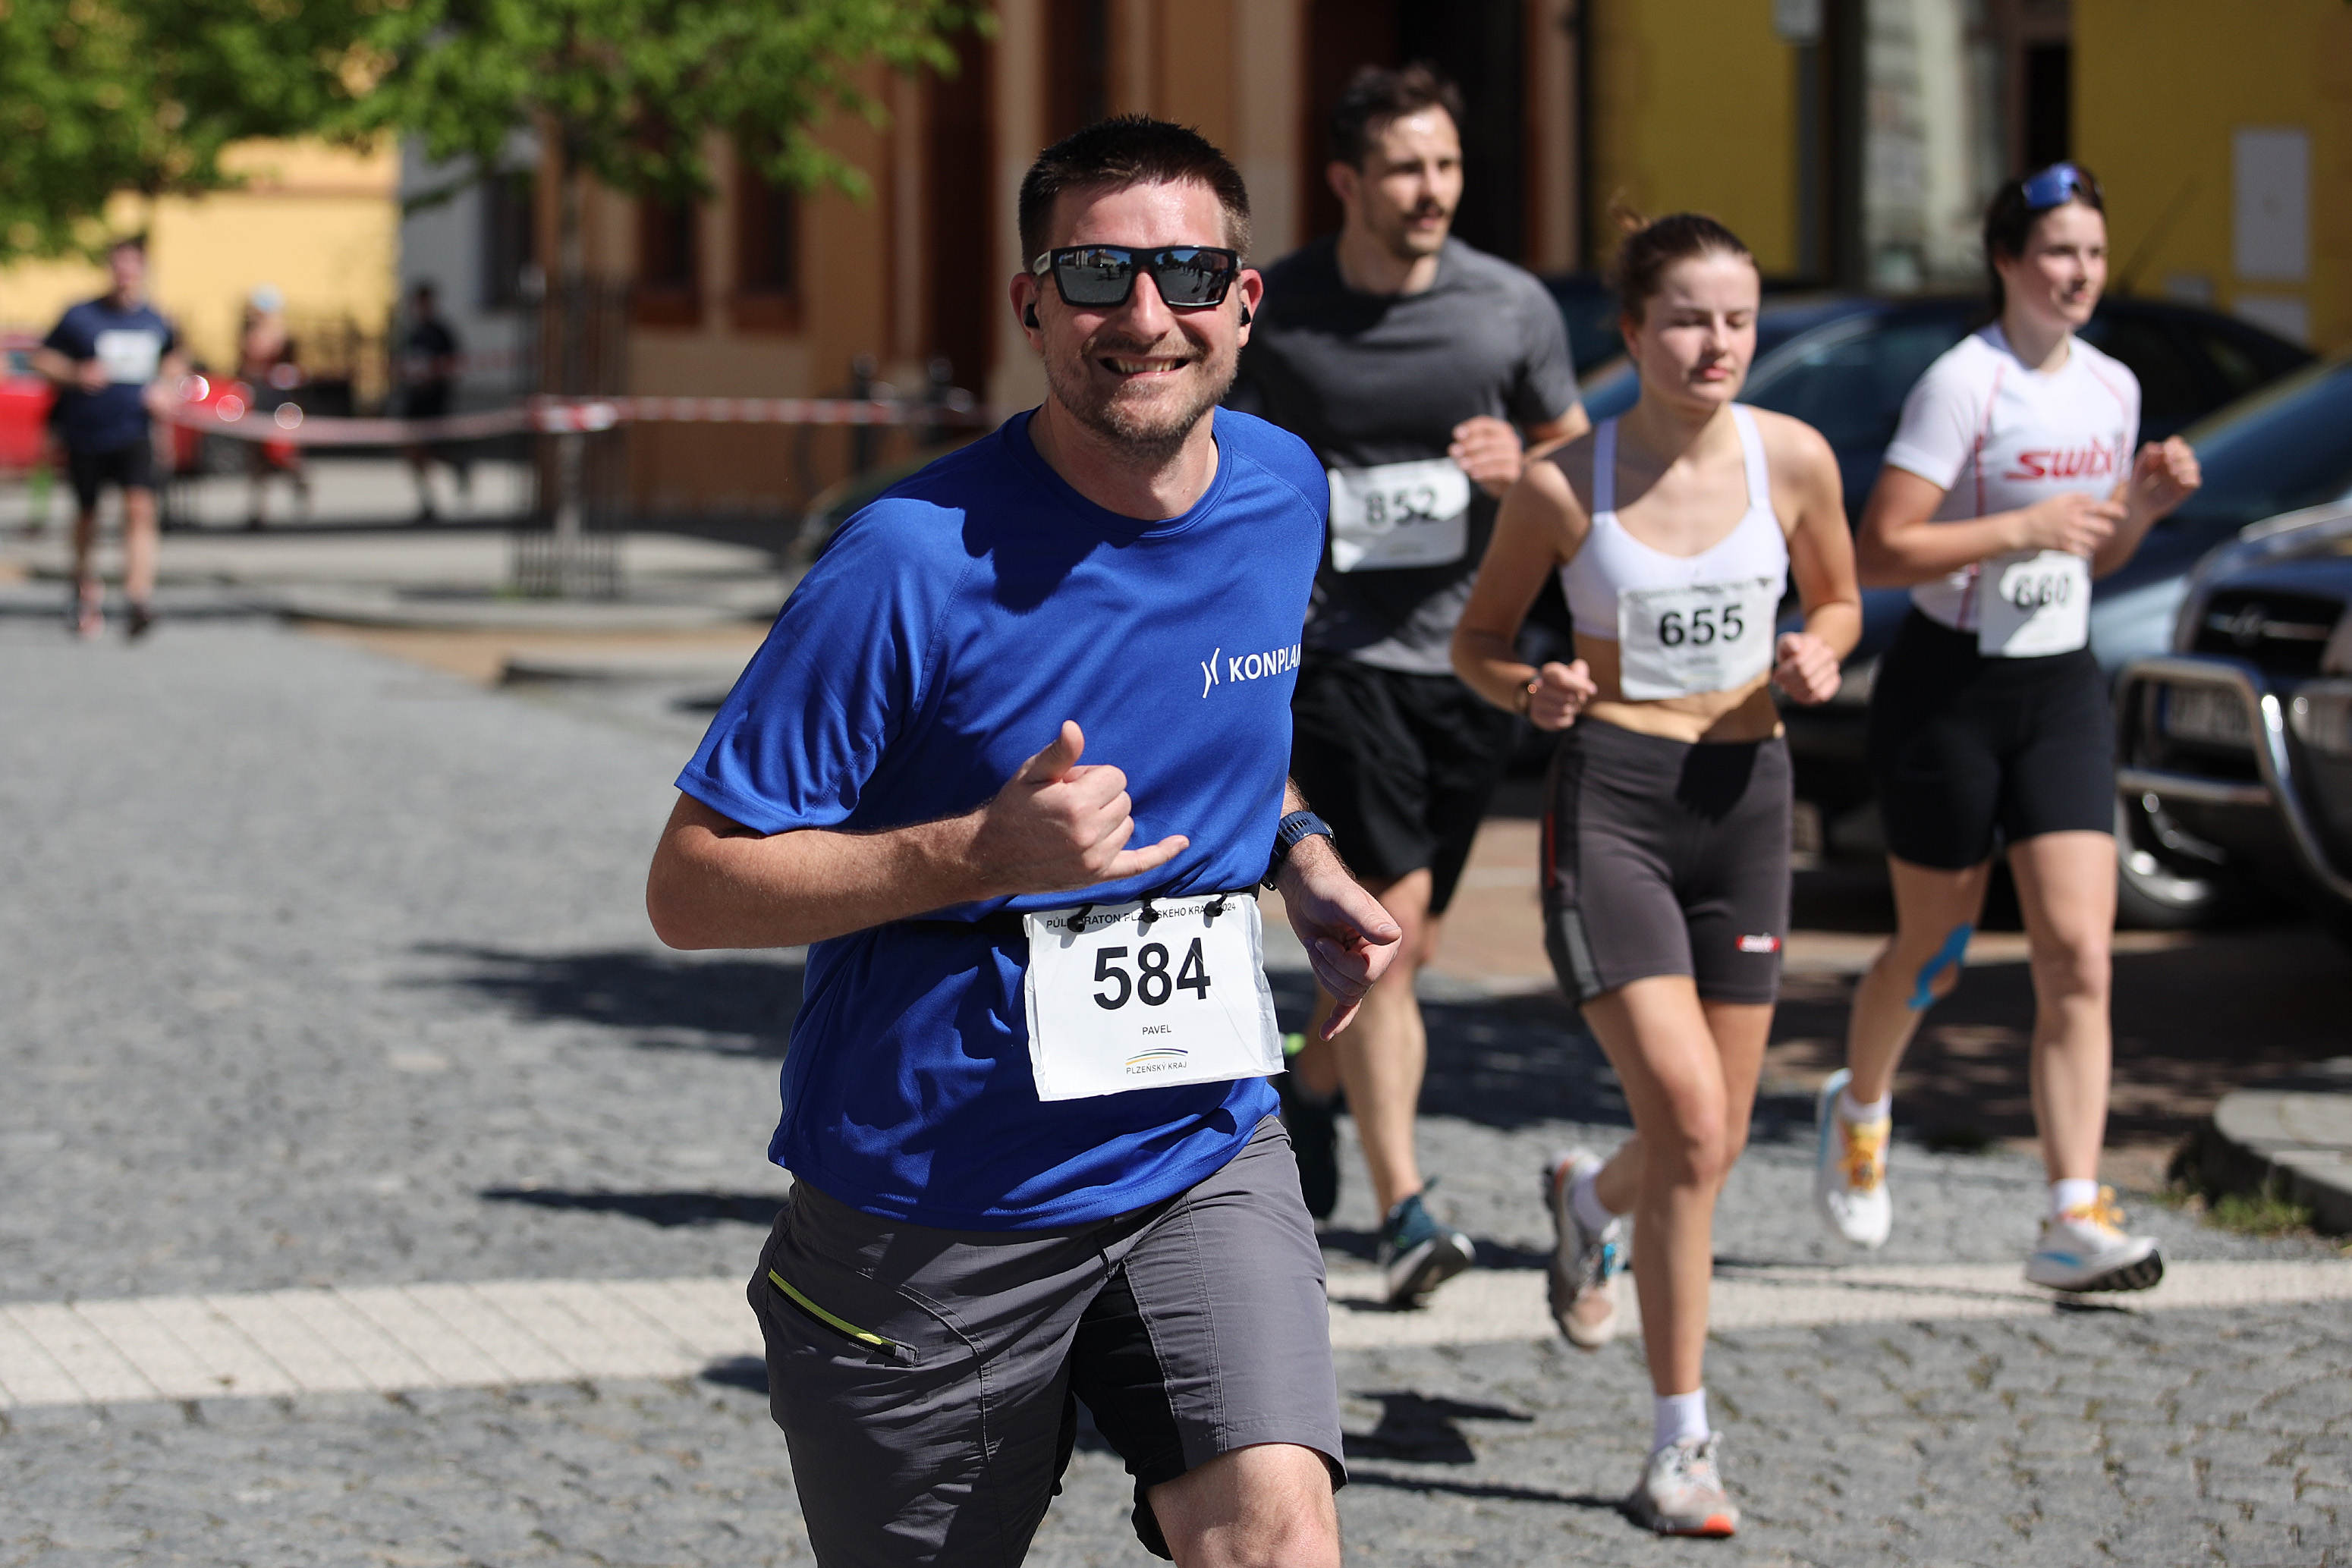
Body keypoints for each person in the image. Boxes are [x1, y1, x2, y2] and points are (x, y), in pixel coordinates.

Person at [644, 117, 1401, 1568]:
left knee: (1279, 1536)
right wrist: (976, 855)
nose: (1145, 314)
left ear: (1245, 300)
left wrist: (1300, 848)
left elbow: (1222, 719)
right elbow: (691, 884)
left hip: (1195, 1144)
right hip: (936, 1197)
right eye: (1098, 272)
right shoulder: (907, 560)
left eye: (1187, 273)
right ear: (1032, 304)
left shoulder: (1282, 490)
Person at [1453, 212, 1860, 1536]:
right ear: (1633, 332)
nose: (1716, 342)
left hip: (1747, 803)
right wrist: (1531, 684)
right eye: (1687, 318)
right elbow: (1478, 641)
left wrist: (1822, 648)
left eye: (1738, 318)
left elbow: (1839, 599)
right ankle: (1682, 1444)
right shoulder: (1563, 483)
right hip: (1616, 804)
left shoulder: (1794, 457)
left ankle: (1587, 1199)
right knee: (1688, 1114)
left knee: (1710, 1138)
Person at [1230, 62, 1587, 1308]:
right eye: (1404, 169)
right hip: (1337, 658)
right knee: (1386, 931)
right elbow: (1217, 448)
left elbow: (1575, 457)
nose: (1431, 190)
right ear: (1347, 180)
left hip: (1470, 661)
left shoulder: (1509, 307)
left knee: (1413, 936)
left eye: (1445, 166)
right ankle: (1408, 1208)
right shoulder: (1284, 309)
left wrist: (1523, 465)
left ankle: (1304, 1085)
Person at [1813, 164, 2202, 1291]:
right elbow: (1881, 548)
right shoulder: (1963, 383)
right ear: (2007, 262)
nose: (2079, 273)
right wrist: (2018, 526)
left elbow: (2095, 554)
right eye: (2057, 253)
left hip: (2060, 685)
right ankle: (1861, 1105)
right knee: (1934, 951)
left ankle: (2072, 1211)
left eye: (2093, 253)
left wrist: (2139, 511)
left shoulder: (2113, 387)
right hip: (1949, 688)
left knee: (2079, 951)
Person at [33, 237, 187, 639]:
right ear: (110, 269)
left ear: (143, 271)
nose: (126, 274)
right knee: (88, 513)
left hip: (134, 430)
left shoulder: (156, 320)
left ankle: (139, 598)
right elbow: (42, 358)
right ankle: (82, 584)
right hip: (85, 430)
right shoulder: (80, 316)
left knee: (140, 508)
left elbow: (175, 361)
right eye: (119, 265)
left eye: (133, 266)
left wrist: (166, 388)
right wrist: (75, 374)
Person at [236, 284, 311, 529]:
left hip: (280, 403)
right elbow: (246, 370)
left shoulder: (282, 337)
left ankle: (300, 486)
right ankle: (258, 510)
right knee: (257, 460)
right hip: (260, 402)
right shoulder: (250, 335)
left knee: (284, 455)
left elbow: (289, 371)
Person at [399, 281, 467, 520]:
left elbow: (454, 364)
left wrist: (435, 380)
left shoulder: (441, 333)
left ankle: (458, 465)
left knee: (433, 449)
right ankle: (427, 501)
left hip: (435, 401)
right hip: (415, 401)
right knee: (413, 451)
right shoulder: (412, 334)